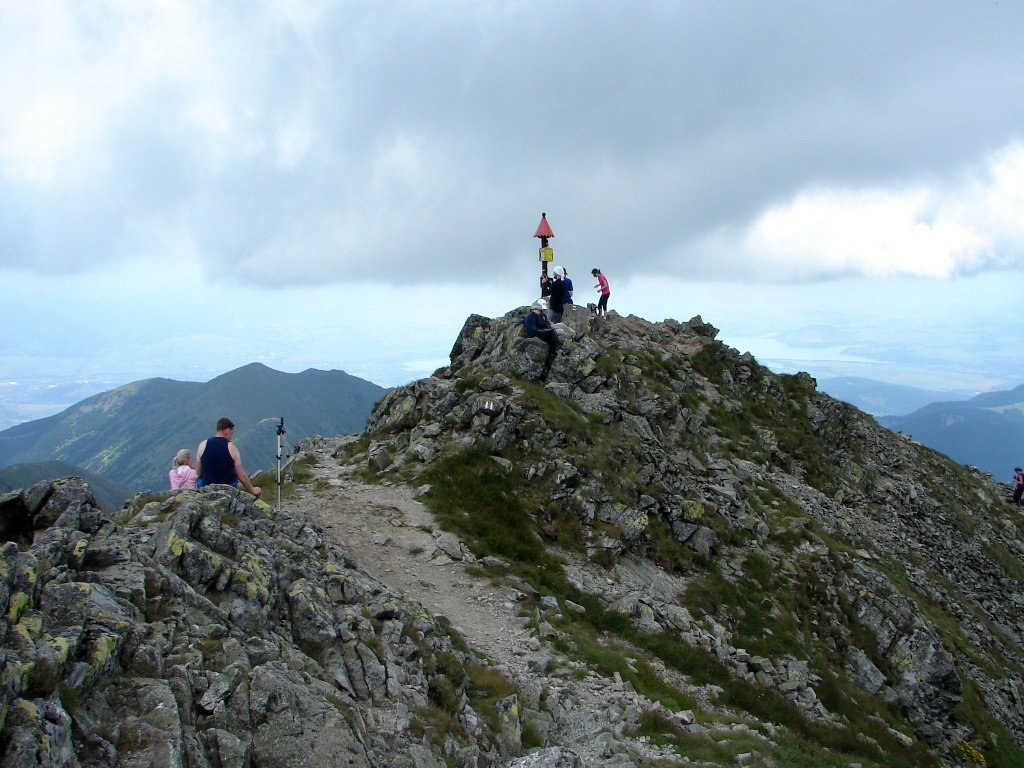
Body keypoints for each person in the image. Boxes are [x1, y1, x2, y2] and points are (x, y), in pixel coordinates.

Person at [196, 417, 263, 497]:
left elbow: (198, 472)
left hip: (206, 488)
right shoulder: (232, 448)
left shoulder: (202, 445)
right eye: (231, 433)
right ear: (227, 431)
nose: (231, 437)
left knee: (200, 479)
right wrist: (252, 490)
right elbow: (241, 476)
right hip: (227, 489)